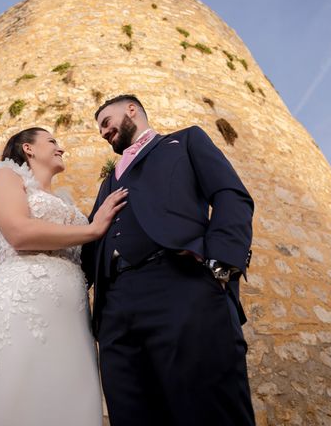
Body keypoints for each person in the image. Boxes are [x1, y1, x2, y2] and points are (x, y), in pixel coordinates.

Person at [82, 95, 256, 426]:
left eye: (106, 121)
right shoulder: (108, 183)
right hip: (115, 309)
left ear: (132, 110)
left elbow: (230, 194)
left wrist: (220, 261)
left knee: (211, 409)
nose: (103, 132)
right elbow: (93, 237)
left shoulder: (187, 140)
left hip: (181, 284)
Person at [0, 127, 127, 426]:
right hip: (23, 306)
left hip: (72, 317)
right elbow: (19, 233)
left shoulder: (64, 201)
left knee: (67, 403)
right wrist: (93, 229)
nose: (61, 148)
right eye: (52, 142)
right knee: (18, 397)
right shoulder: (7, 177)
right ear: (28, 148)